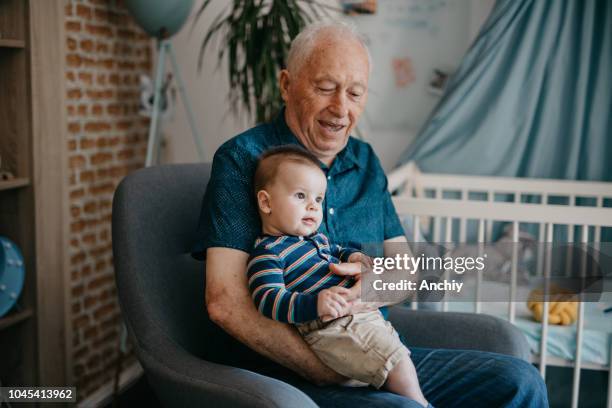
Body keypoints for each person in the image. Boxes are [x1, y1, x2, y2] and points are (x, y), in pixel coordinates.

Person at [193, 21, 549, 407]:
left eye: (355, 93)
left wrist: (372, 284)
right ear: (286, 85)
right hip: (284, 374)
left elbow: (406, 274)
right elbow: (225, 303)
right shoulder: (242, 160)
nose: (341, 108)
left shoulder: (366, 163)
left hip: (373, 352)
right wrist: (323, 370)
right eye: (325, 87)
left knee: (519, 381)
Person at [248, 145, 429, 406]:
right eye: (300, 196)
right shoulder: (269, 252)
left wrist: (353, 257)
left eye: (319, 199)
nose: (312, 206)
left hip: (359, 318)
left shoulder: (315, 239)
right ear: (266, 202)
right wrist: (315, 304)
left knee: (395, 357)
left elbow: (336, 250)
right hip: (332, 327)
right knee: (395, 360)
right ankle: (420, 403)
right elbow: (267, 299)